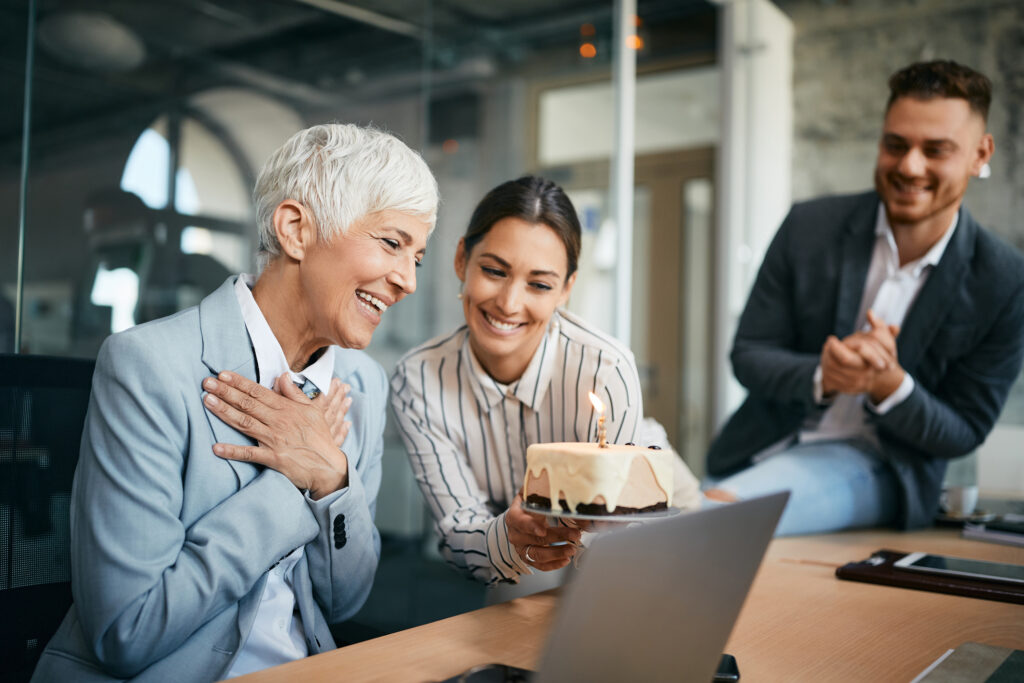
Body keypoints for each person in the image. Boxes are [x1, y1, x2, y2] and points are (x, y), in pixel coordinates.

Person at [32, 124, 438, 681]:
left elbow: (345, 602)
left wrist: (333, 480)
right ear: (296, 229)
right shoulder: (148, 367)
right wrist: (294, 482)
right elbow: (124, 633)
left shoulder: (361, 383)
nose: (408, 279)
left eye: (418, 256)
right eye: (392, 243)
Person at [705, 60, 1024, 535]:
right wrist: (823, 374)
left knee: (711, 524)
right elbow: (748, 354)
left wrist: (890, 385)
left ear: (981, 155)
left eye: (936, 150)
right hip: (752, 450)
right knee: (671, 521)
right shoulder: (808, 227)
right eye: (896, 145)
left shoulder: (1004, 278)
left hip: (880, 464)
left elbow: (964, 430)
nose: (909, 166)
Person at [390, 176, 701, 590]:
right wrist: (507, 536)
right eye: (494, 271)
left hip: (662, 523)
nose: (509, 303)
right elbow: (456, 531)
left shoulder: (606, 367)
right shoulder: (418, 380)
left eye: (539, 284)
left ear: (566, 289)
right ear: (462, 259)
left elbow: (617, 539)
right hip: (538, 550)